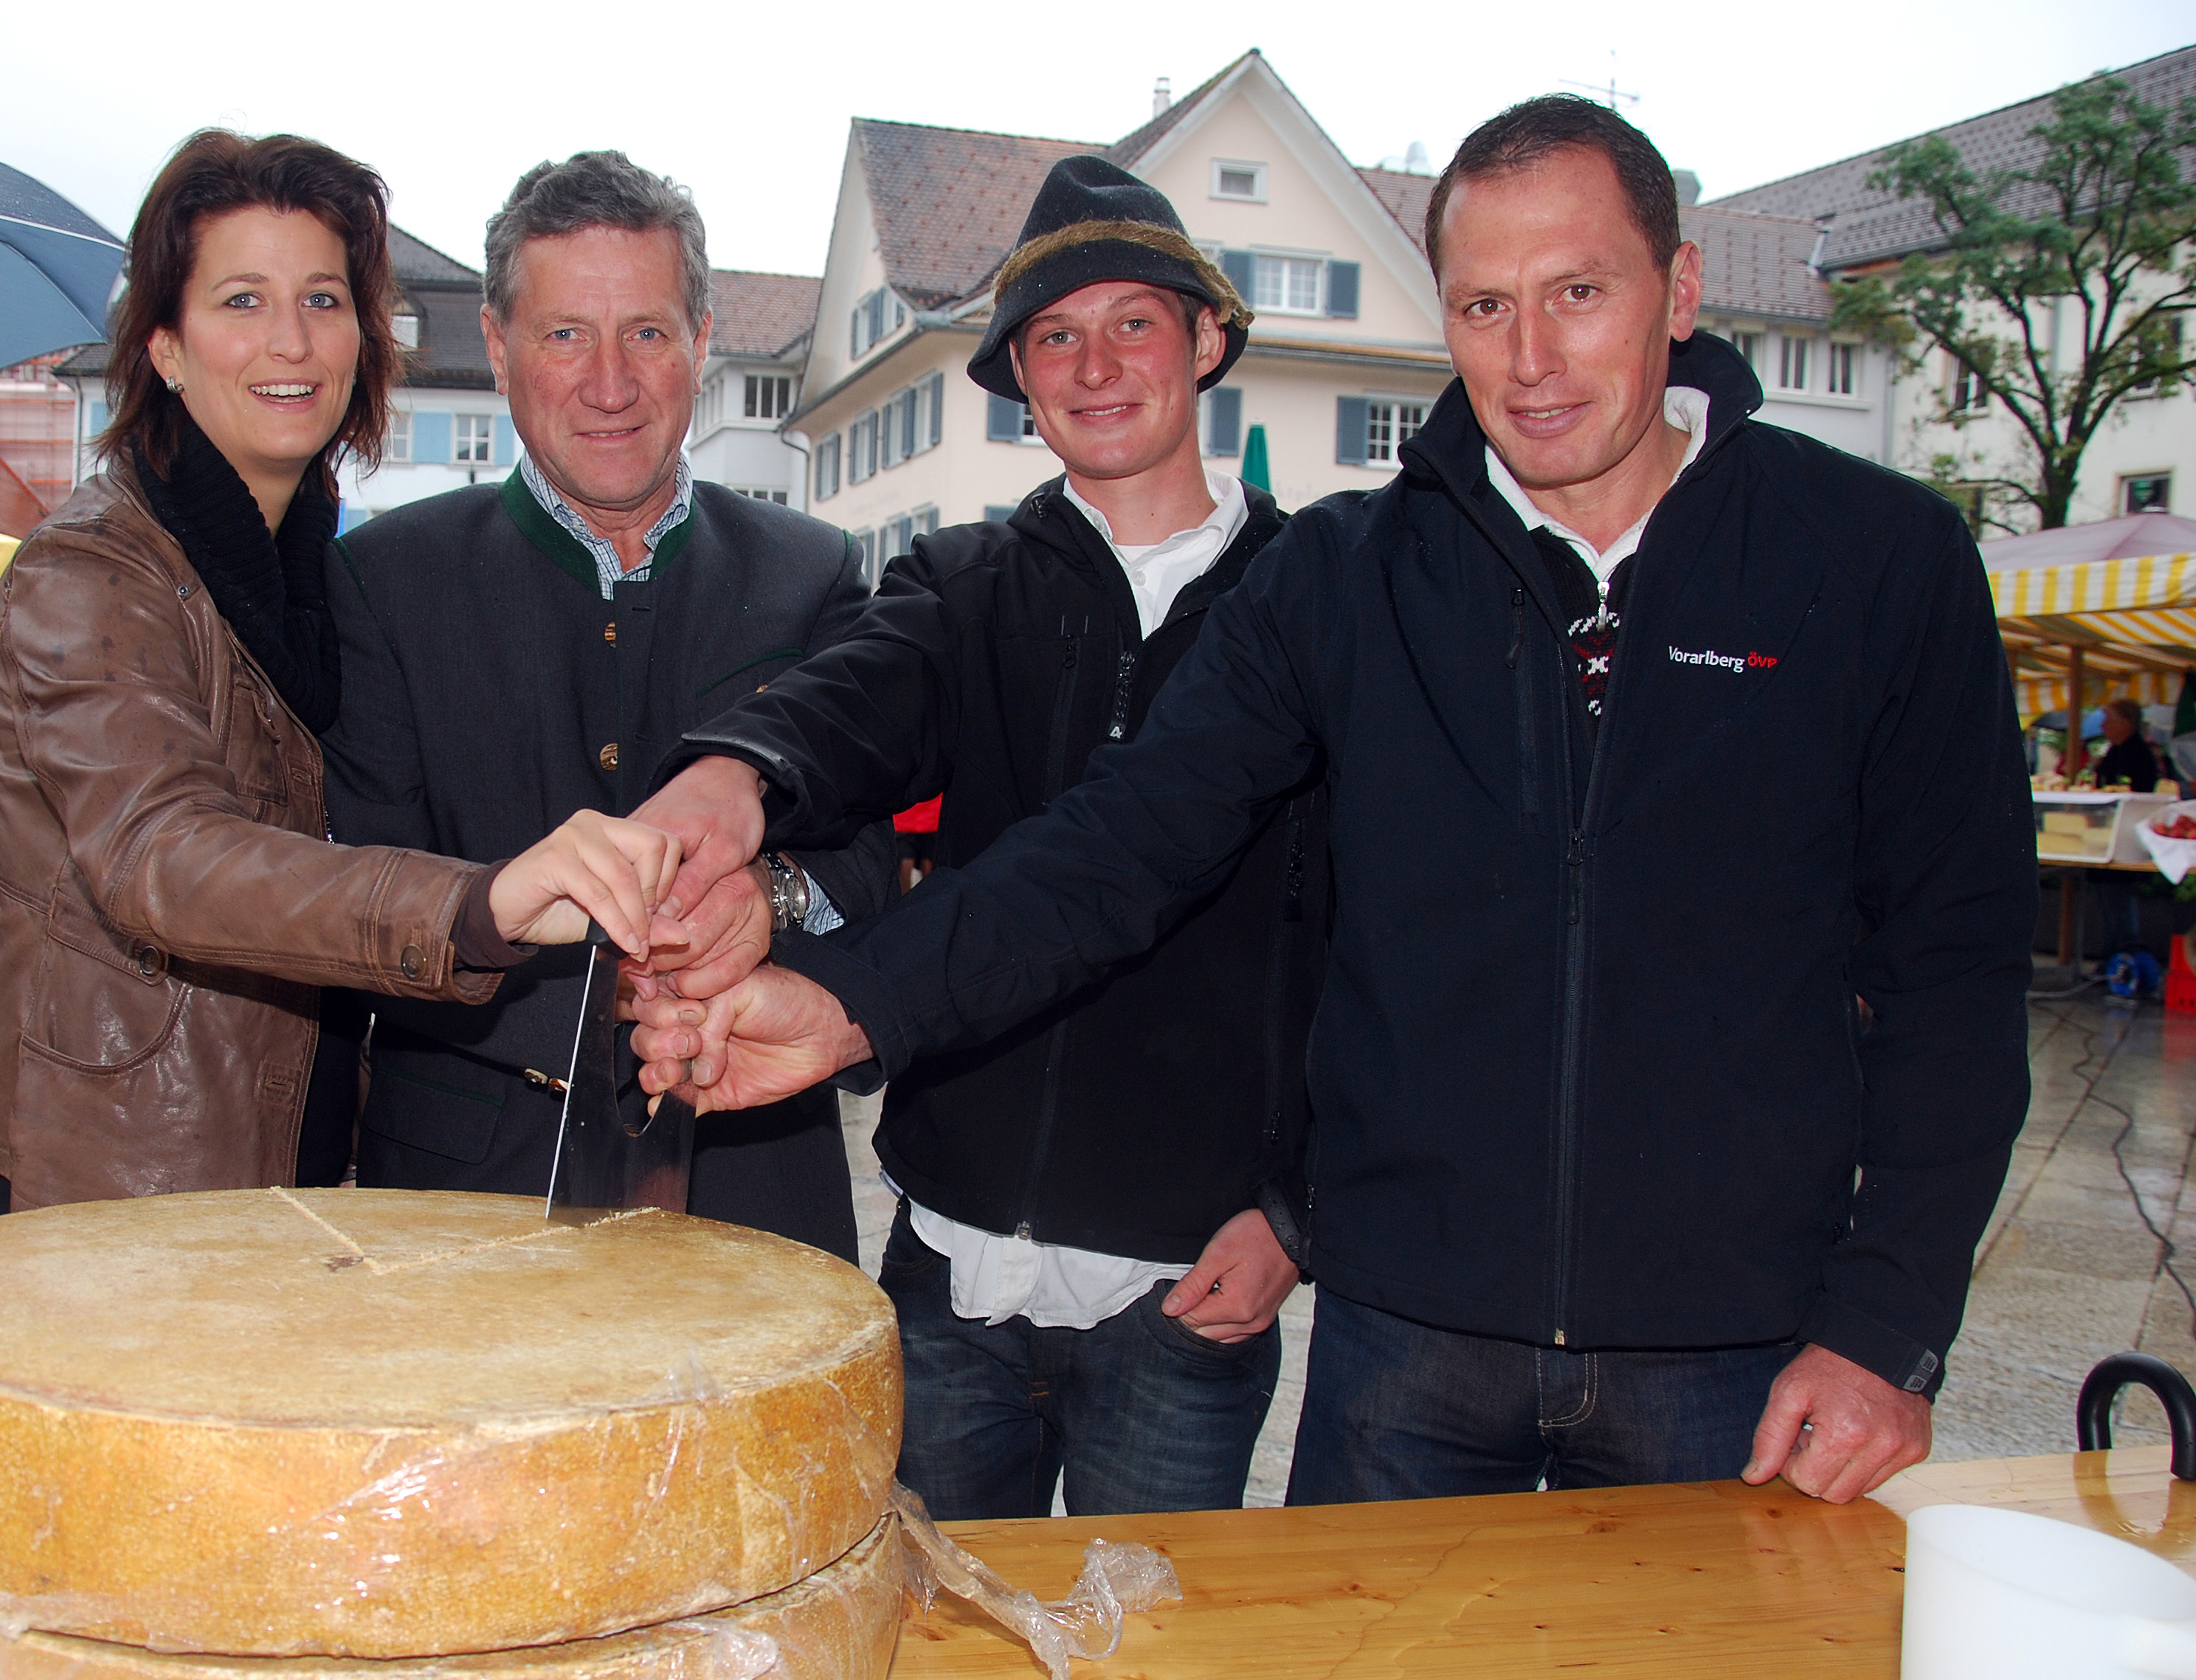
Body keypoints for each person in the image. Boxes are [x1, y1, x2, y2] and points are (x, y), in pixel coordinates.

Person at [635, 96, 2035, 1509]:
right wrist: (844, 994)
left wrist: (1888, 1319)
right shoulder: (1348, 579)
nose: (1531, 358)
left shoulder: (1876, 561)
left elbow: (1957, 968)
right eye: (1484, 306)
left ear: (1676, 291)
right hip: (1409, 1345)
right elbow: (1117, 844)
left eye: (1578, 293)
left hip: (1731, 1345)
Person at [638, 156, 1316, 1519]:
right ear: (1019, 379)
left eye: (1132, 322)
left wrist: (1300, 1215)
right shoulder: (962, 583)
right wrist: (735, 775)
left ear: (1207, 339)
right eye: (1054, 336)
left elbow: (1377, 949)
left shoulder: (1310, 604)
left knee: (1153, 1638)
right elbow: (849, 700)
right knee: (928, 1616)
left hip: (1190, 1281)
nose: (1095, 365)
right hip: (948, 1259)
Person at [0, 131, 679, 1215]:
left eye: (322, 299)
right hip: (133, 1162)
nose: (291, 341)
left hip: (288, 1139)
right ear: (166, 346)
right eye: (242, 301)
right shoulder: (92, 570)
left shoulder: (306, 560)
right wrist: (478, 903)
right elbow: (164, 855)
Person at [322, 151, 894, 1262]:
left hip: (756, 1187)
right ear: (498, 346)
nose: (610, 382)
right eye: (565, 334)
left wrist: (769, 895)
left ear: (701, 339)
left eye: (646, 332)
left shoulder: (812, 572)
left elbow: (868, 853)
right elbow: (375, 896)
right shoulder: (383, 581)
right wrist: (620, 997)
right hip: (467, 1200)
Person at [2090, 698, 2162, 792]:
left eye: (2108, 720)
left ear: (2125, 724)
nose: (2102, 726)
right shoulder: (2115, 751)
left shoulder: (2139, 755)